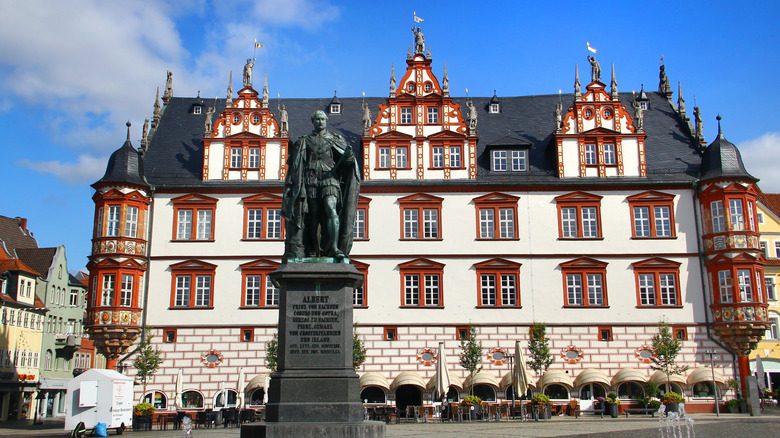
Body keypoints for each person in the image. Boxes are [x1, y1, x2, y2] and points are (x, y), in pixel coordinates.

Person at [282, 110, 360, 260]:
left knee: (332, 211)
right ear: (313, 121)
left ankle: (335, 248)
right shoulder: (304, 140)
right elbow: (295, 165)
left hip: (330, 180)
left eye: (322, 119)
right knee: (313, 216)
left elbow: (348, 163)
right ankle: (312, 249)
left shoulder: (335, 139)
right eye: (317, 119)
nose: (320, 122)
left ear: (326, 121)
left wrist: (349, 156)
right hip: (310, 180)